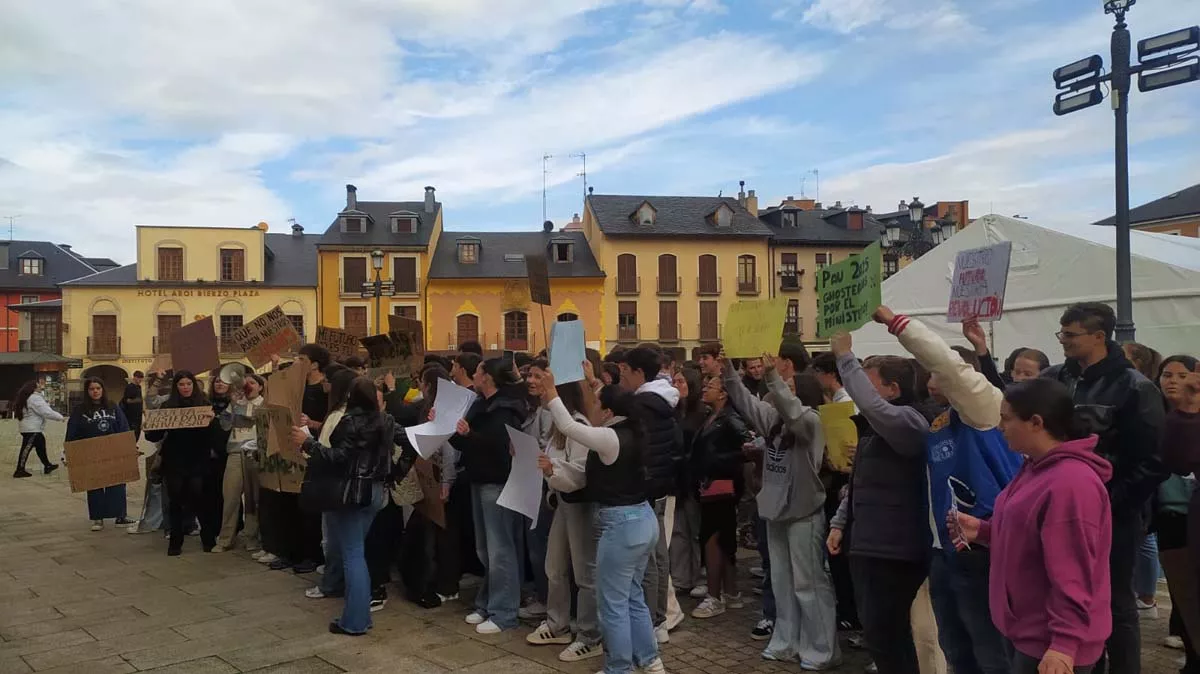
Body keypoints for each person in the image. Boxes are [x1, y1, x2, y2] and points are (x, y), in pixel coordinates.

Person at [876, 307, 1022, 674]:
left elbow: (949, 367)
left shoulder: (985, 410)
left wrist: (896, 322)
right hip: (944, 552)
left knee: (991, 653)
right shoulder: (940, 423)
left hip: (982, 550)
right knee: (956, 649)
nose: (930, 381)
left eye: (937, 374)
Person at [954, 378, 1113, 674]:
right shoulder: (1035, 468)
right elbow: (1033, 535)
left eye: (1006, 419)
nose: (1000, 427)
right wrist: (985, 531)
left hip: (1053, 645)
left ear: (1036, 422)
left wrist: (1064, 645)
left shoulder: (1070, 483)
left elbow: (1074, 572)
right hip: (1029, 634)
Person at [1042, 302, 1167, 673]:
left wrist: (1112, 502)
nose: (1062, 340)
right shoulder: (1055, 378)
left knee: (1115, 601)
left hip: (1114, 512)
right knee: (1070, 594)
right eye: (1061, 333)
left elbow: (1155, 459)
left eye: (1070, 334)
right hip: (1061, 506)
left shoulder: (1134, 386)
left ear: (1099, 336)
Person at [540, 370, 666, 674]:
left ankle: (619, 667)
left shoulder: (610, 437)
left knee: (612, 605)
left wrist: (552, 393)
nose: (590, 407)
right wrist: (592, 379)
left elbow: (568, 425)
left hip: (622, 526)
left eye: (596, 403)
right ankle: (649, 659)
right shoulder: (633, 430)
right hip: (643, 520)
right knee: (632, 596)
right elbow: (588, 476)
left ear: (608, 412)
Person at [723, 351, 840, 668]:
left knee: (809, 583)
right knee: (782, 582)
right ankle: (786, 641)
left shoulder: (811, 422)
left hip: (804, 512)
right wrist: (729, 369)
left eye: (787, 384)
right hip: (775, 511)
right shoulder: (772, 419)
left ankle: (821, 649)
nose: (779, 389)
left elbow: (793, 413)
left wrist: (772, 376)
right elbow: (744, 401)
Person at [828, 332, 933, 674]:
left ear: (893, 389)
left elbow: (872, 406)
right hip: (867, 543)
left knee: (892, 634)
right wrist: (840, 523)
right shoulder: (874, 428)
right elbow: (859, 482)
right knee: (877, 632)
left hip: (895, 548)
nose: (863, 394)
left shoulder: (910, 422)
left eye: (870, 384)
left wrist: (845, 358)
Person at [292, 377, 392, 636]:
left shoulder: (350, 422)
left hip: (351, 493)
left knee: (352, 554)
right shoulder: (384, 421)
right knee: (357, 552)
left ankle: (355, 621)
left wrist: (308, 443)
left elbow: (338, 457)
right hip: (375, 491)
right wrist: (395, 473)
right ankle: (361, 616)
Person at [526, 363, 604, 663]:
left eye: (545, 385)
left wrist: (552, 469)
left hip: (579, 504)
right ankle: (557, 622)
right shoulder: (559, 424)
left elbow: (582, 472)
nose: (539, 389)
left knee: (585, 572)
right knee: (554, 566)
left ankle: (589, 634)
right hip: (562, 502)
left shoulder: (577, 424)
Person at [454, 357, 528, 634]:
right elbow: (463, 440)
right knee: (485, 549)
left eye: (478, 371)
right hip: (479, 478)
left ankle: (504, 612)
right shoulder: (478, 404)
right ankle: (487, 602)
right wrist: (453, 429)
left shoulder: (506, 408)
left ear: (488, 378)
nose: (474, 374)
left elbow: (500, 446)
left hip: (498, 482)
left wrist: (470, 434)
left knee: (501, 550)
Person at [616, 346, 684, 641]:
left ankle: (653, 620)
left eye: (624, 373)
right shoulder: (664, 399)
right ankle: (658, 619)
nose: (622, 379)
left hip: (644, 487)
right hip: (659, 484)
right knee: (657, 554)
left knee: (648, 559)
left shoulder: (642, 404)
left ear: (639, 372)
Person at [688, 375, 749, 619]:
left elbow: (746, 449)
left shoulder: (731, 420)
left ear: (723, 393)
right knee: (720, 539)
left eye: (709, 387)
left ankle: (715, 595)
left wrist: (715, 464)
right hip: (710, 484)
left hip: (722, 486)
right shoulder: (712, 417)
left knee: (714, 539)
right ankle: (730, 592)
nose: (704, 390)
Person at [1156, 355, 1200, 670]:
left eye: (1180, 375)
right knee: (1188, 600)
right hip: (1176, 520)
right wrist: (1188, 408)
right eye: (1167, 374)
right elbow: (1178, 459)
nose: (1172, 381)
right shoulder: (1175, 418)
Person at [144, 371, 216, 555]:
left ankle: (208, 539)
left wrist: (211, 423)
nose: (185, 387)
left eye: (188, 384)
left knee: (199, 498)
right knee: (175, 501)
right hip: (175, 460)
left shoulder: (204, 404)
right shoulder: (168, 406)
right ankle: (175, 541)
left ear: (193, 385)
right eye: (182, 384)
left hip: (198, 459)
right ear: (176, 387)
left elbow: (213, 435)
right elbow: (155, 436)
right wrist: (150, 426)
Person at [67, 377, 136, 531]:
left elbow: (123, 427)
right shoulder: (80, 410)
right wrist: (71, 452)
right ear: (87, 391)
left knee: (117, 483)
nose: (95, 391)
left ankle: (120, 515)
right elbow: (72, 432)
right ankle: (98, 518)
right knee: (94, 485)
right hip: (91, 453)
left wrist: (128, 447)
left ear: (102, 390)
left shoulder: (112, 406)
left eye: (98, 388)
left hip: (113, 451)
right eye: (92, 389)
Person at [212, 373, 265, 553]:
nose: (248, 386)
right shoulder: (235, 403)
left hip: (254, 454)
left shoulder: (264, 404)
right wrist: (232, 406)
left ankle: (252, 537)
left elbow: (251, 419)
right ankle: (226, 538)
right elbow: (225, 425)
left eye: (252, 383)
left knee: (253, 499)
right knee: (230, 496)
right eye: (245, 383)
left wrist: (236, 406)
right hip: (234, 453)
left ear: (260, 387)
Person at [670, 366, 707, 598]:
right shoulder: (673, 412)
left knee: (696, 531)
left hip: (694, 478)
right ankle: (682, 576)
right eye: (674, 382)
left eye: (681, 382)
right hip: (677, 478)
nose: (676, 386)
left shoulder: (700, 413)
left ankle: (700, 576)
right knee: (679, 530)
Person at [13, 379, 62, 477]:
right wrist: (59, 417)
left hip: (29, 428)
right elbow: (45, 411)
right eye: (38, 386)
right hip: (32, 429)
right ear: (34, 388)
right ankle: (19, 470)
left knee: (40, 446)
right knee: (26, 449)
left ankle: (47, 465)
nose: (40, 387)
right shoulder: (35, 398)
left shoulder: (26, 398)